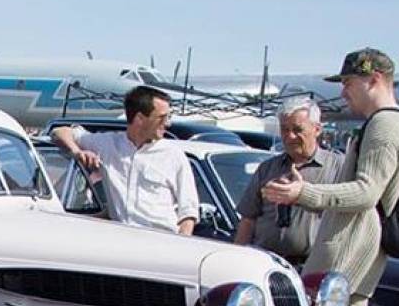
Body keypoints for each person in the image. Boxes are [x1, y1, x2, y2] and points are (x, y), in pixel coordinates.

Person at [262, 48, 399, 306]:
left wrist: (303, 193)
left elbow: (367, 192)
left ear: (374, 79)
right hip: (350, 263)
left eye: (348, 83)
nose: (343, 92)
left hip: (345, 262)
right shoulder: (393, 122)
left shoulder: (385, 125)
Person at [50, 86, 199, 235]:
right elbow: (59, 132)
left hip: (161, 238)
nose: (167, 123)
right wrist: (77, 152)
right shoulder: (108, 144)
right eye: (162, 117)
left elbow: (188, 212)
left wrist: (180, 242)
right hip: (120, 238)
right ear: (140, 118)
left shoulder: (174, 156)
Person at [233, 98, 343, 266]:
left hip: (313, 266)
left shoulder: (337, 167)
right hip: (265, 263)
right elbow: (248, 219)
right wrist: (237, 260)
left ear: (317, 129)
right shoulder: (268, 168)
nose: (290, 136)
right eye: (285, 129)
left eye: (298, 130)